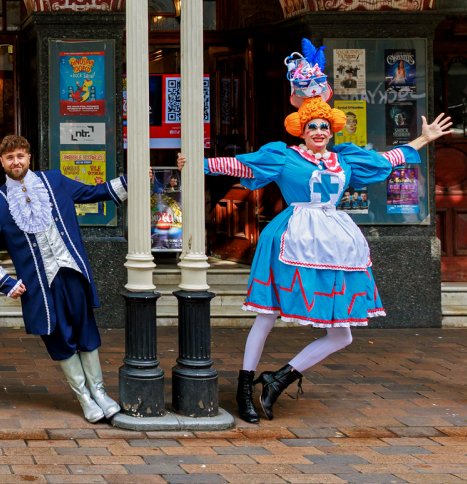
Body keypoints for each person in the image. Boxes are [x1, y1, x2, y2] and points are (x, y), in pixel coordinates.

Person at [180, 39, 452, 424]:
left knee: (342, 334)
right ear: (301, 128)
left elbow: (384, 160)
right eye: (313, 126)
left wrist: (422, 140)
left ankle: (276, 379)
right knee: (267, 315)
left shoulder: (346, 159)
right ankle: (244, 385)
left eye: (325, 125)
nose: (319, 131)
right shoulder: (285, 156)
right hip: (290, 236)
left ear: (332, 127)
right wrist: (198, 163)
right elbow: (241, 166)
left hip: (335, 240)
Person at [0, 135, 128, 422]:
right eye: (9, 158)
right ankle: (84, 398)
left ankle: (101, 393)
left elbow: (91, 193)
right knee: (59, 337)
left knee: (85, 330)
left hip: (72, 271)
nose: (16, 161)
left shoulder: (54, 181)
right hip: (39, 285)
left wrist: (131, 181)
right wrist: (7, 284)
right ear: (2, 162)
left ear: (29, 157)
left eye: (20, 155)